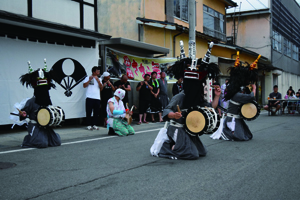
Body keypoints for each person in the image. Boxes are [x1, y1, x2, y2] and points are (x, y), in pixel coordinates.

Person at [150, 41, 221, 159]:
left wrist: (217, 96)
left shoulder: (198, 98)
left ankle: (178, 145)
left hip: (189, 129)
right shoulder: (180, 96)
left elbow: (211, 107)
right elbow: (166, 110)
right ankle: (167, 146)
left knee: (202, 152)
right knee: (191, 154)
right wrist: (174, 115)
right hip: (177, 128)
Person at [218, 52, 261, 141]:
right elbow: (251, 97)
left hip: (237, 118)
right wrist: (254, 88)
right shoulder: (236, 95)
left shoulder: (239, 92)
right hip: (232, 119)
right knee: (240, 137)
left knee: (247, 136)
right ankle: (226, 131)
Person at [18, 64, 61, 148]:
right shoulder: (31, 101)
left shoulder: (47, 100)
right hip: (35, 126)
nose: (43, 91)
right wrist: (23, 114)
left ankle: (43, 137)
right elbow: (24, 113)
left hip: (45, 126)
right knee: (42, 144)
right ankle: (28, 139)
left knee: (57, 142)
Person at [83, 66, 103, 130]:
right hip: (89, 97)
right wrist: (89, 80)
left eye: (99, 71)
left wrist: (98, 80)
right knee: (88, 112)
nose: (99, 72)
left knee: (96, 112)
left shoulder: (99, 79)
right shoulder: (87, 77)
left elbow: (101, 88)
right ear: (93, 72)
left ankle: (94, 124)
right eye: (97, 71)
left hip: (97, 98)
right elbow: (84, 86)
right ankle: (88, 125)